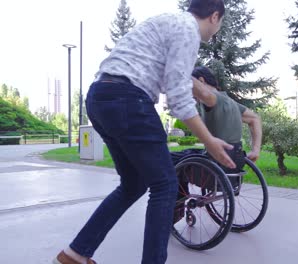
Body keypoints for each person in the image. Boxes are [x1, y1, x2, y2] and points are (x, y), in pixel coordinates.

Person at [53, 1, 234, 264]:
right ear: (215, 16)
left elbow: (170, 79)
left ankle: (75, 254)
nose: (215, 33)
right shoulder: (188, 30)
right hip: (128, 100)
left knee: (134, 184)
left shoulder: (167, 21)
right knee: (165, 184)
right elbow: (178, 99)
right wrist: (210, 141)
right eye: (219, 26)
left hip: (101, 96)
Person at [172, 66, 262, 223]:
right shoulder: (232, 103)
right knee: (185, 153)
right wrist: (255, 150)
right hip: (235, 161)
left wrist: (177, 70)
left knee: (168, 159)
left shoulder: (212, 98)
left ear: (200, 81)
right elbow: (255, 119)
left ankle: (177, 205)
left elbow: (206, 93)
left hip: (214, 163)